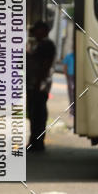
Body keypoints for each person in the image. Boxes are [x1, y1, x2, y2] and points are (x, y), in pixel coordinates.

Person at [26, 21, 56, 152]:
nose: (35, 33)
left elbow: (45, 65)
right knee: (35, 114)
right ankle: (35, 141)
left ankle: (36, 143)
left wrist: (38, 82)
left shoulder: (46, 45)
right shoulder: (41, 44)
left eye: (37, 30)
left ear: (44, 31)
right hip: (37, 83)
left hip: (39, 85)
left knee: (37, 114)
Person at [61, 48, 75, 113]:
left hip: (75, 76)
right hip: (70, 76)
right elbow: (65, 66)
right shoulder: (69, 56)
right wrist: (66, 76)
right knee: (71, 93)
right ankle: (72, 108)